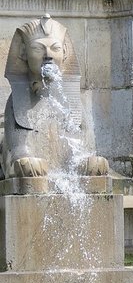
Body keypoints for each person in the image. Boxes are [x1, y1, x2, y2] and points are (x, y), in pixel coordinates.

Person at [1, 14, 108, 178]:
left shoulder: (73, 102)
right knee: (26, 165)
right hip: (27, 164)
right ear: (23, 53)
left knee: (93, 165)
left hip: (63, 173)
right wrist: (23, 158)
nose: (48, 55)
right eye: (38, 48)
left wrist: (86, 162)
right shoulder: (16, 102)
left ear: (64, 52)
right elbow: (18, 151)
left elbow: (83, 150)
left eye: (55, 48)